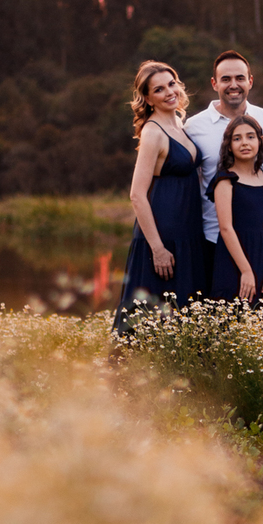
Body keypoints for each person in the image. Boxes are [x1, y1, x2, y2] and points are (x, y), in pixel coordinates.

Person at [113, 60, 205, 331]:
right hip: (162, 238)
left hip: (187, 233)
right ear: (148, 98)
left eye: (172, 84)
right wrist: (158, 249)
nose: (169, 92)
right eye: (159, 89)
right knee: (145, 319)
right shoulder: (153, 132)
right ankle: (123, 373)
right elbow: (137, 195)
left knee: (182, 316)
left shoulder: (178, 121)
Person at [185, 50, 263, 289]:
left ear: (250, 80)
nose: (233, 85)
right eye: (226, 79)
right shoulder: (193, 127)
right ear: (214, 83)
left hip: (261, 242)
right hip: (212, 239)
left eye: (240, 78)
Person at [207, 114, 263, 306]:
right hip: (233, 259)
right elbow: (226, 228)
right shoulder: (225, 180)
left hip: (261, 255)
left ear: (260, 141)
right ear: (229, 145)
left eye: (250, 137)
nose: (244, 143)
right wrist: (246, 271)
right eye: (237, 138)